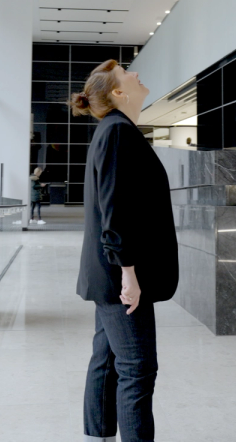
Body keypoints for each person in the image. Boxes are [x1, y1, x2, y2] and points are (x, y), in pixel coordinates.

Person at [71, 60, 178, 442]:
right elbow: (115, 208)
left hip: (109, 274)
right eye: (128, 74)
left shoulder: (115, 129)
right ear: (118, 92)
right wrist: (129, 273)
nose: (136, 74)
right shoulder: (118, 132)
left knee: (108, 360)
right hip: (120, 275)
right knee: (137, 368)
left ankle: (96, 436)